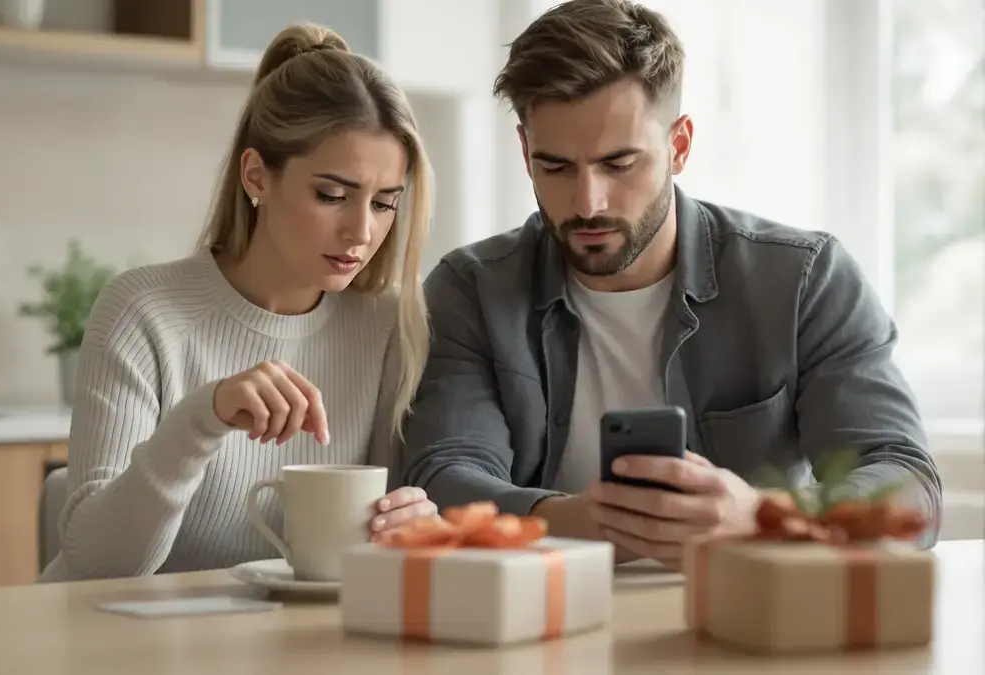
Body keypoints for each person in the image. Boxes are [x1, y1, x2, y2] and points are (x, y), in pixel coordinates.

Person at [399, 0, 942, 568]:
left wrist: (761, 518)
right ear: (524, 150)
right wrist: (575, 522)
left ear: (678, 146)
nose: (588, 203)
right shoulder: (471, 290)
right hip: (547, 619)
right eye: (555, 166)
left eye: (619, 163)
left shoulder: (805, 279)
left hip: (747, 624)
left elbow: (906, 484)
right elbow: (442, 476)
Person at [39, 23, 436, 582]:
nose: (362, 231)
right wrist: (204, 417)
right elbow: (99, 565)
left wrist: (411, 524)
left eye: (384, 203)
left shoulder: (386, 323)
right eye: (332, 195)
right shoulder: (143, 313)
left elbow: (347, 559)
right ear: (257, 176)